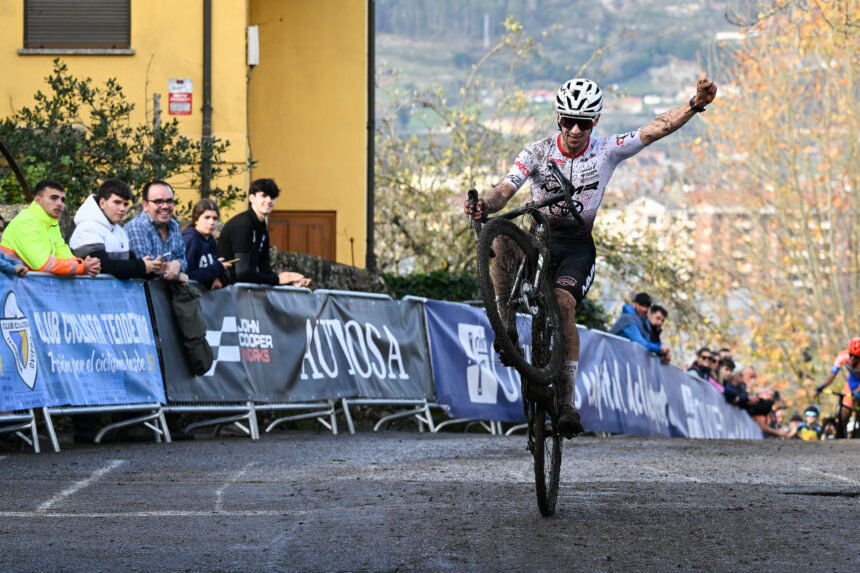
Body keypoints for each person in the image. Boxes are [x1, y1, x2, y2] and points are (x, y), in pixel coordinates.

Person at [465, 75, 718, 437]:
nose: (574, 129)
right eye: (567, 120)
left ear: (595, 121)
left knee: (564, 307)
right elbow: (504, 191)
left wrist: (695, 105)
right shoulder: (536, 152)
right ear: (557, 118)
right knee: (504, 239)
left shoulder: (606, 150)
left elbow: (654, 129)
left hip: (576, 247)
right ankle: (506, 323)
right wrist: (481, 206)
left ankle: (567, 403)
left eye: (583, 122)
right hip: (540, 238)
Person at [218, 178, 310, 287]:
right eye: (264, 196)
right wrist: (277, 279)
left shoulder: (261, 226)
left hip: (240, 292)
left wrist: (290, 281)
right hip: (226, 292)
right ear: (252, 198)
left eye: (272, 197)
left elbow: (264, 267)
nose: (269, 201)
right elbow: (242, 273)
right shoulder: (243, 224)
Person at [0, 179, 100, 276]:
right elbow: (42, 265)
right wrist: (82, 266)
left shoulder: (51, 223)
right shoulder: (25, 222)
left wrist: (83, 265)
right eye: (54, 198)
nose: (60, 203)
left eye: (62, 200)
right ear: (38, 200)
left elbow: (63, 253)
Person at [69, 179, 165, 279]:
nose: (122, 209)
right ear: (102, 203)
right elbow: (102, 266)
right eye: (117, 202)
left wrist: (153, 269)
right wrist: (142, 266)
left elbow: (130, 268)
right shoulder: (87, 228)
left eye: (125, 204)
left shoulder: (119, 231)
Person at [124, 180, 189, 284]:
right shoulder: (136, 227)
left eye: (169, 201)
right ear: (145, 205)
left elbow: (184, 260)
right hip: (143, 296)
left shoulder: (174, 225)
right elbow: (148, 268)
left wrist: (178, 263)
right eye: (158, 201)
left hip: (166, 297)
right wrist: (178, 275)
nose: (165, 206)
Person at [182, 198, 232, 290]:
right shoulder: (190, 239)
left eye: (215, 218)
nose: (211, 222)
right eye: (207, 217)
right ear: (196, 219)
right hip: (189, 297)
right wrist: (216, 269)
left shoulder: (211, 239)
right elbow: (187, 274)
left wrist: (219, 278)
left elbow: (216, 267)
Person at [814, 337, 860, 435]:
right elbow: (832, 376)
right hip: (851, 383)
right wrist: (821, 387)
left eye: (856, 357)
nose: (852, 358)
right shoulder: (843, 355)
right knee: (845, 410)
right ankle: (842, 432)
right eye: (851, 355)